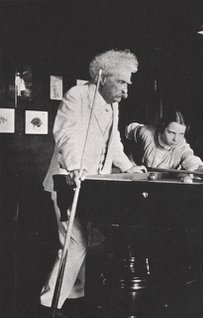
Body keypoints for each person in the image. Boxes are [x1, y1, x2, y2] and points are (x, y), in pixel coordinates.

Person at [39, 49, 146, 318]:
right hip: (68, 179)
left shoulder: (113, 105)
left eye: (128, 84)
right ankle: (48, 304)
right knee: (76, 242)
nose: (125, 90)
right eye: (121, 82)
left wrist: (129, 167)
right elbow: (66, 136)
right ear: (102, 76)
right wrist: (75, 167)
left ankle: (75, 296)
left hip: (94, 185)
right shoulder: (78, 96)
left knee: (83, 241)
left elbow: (115, 143)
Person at [125, 110, 203, 173]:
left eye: (181, 134)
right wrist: (129, 163)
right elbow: (128, 131)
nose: (176, 139)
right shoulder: (146, 132)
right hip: (136, 176)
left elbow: (192, 161)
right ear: (162, 128)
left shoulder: (182, 147)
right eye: (172, 133)